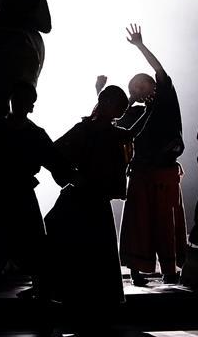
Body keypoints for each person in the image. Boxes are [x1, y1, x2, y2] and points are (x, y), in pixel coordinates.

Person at [0, 82, 70, 300]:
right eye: (18, 99)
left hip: (3, 193)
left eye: (23, 100)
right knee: (26, 244)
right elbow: (58, 163)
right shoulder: (30, 133)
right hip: (14, 193)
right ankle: (39, 295)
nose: (20, 104)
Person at [44, 85, 132, 309]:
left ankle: (76, 295)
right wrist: (71, 176)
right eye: (118, 107)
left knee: (88, 248)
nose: (120, 112)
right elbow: (53, 152)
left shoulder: (108, 133)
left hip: (93, 198)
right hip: (84, 198)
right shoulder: (87, 130)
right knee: (85, 247)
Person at [118, 24, 187, 286]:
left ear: (153, 84)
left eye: (141, 84)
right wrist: (128, 99)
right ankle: (137, 270)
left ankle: (170, 269)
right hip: (140, 171)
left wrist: (140, 45)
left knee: (166, 221)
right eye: (133, 88)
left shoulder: (165, 97)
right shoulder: (135, 113)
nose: (138, 88)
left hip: (164, 170)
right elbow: (114, 126)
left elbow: (159, 70)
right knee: (138, 222)